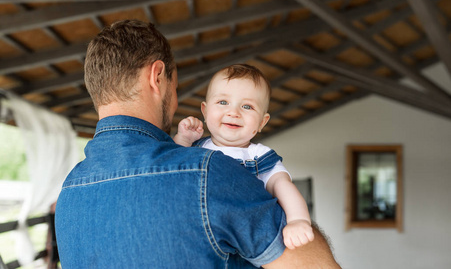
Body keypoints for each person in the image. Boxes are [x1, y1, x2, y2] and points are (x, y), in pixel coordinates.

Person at [55, 19, 340, 268]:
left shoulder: (68, 191)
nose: (176, 99)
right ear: (157, 77)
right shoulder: (209, 172)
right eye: (175, 87)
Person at [173, 64, 314, 250]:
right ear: (205, 112)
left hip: (245, 242)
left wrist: (298, 220)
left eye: (247, 106)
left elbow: (283, 185)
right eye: (223, 102)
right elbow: (173, 168)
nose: (234, 112)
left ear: (262, 122)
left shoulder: (259, 156)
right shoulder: (196, 147)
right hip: (197, 233)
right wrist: (182, 139)